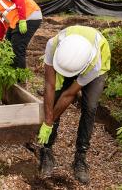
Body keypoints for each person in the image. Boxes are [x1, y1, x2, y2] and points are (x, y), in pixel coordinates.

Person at [37, 25, 111, 184]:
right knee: (54, 97)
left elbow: (70, 94)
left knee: (90, 107)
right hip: (71, 60)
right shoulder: (53, 44)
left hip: (95, 71)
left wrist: (49, 120)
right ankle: (46, 149)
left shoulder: (94, 64)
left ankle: (80, 157)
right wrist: (48, 120)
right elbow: (49, 85)